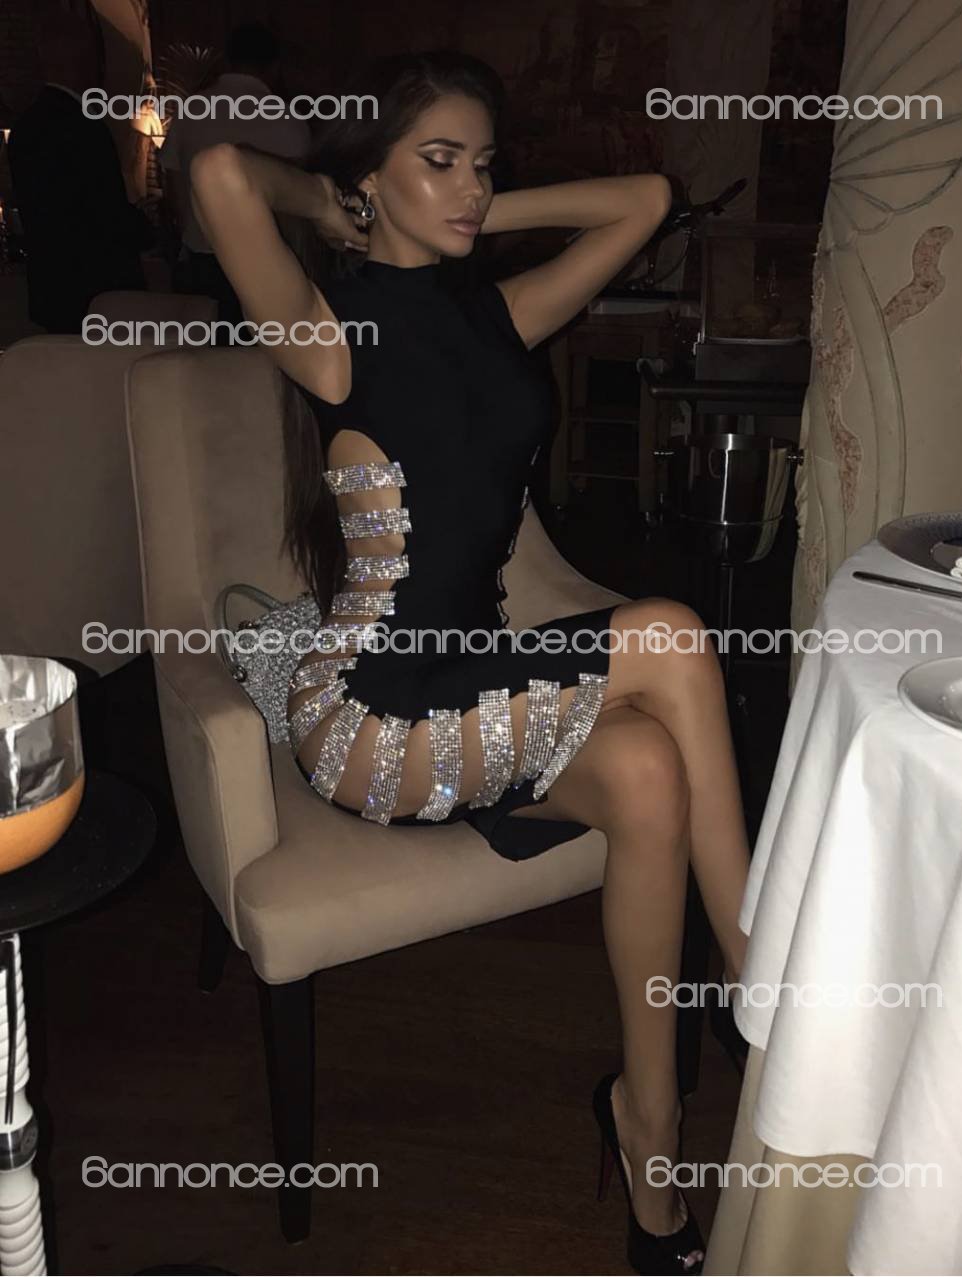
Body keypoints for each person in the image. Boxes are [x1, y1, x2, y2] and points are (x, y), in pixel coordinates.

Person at [190, 50, 750, 1275]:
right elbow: (222, 172)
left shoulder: (499, 312)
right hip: (371, 712)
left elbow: (644, 202)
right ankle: (758, 979)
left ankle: (649, 1135)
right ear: (372, 177)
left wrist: (465, 209)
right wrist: (340, 202)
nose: (471, 189)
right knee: (669, 633)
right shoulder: (330, 334)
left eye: (483, 166)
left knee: (649, 771)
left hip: (470, 681)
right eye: (438, 161)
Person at [8, 11, 152, 333]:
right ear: (84, 62)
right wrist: (147, 230)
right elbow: (105, 211)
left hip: (52, 287)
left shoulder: (25, 127)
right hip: (98, 289)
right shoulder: (84, 127)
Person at [159, 20, 309, 330]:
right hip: (267, 267)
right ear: (275, 66)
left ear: (227, 60)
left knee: (203, 352)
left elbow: (172, 183)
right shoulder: (286, 119)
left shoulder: (190, 110)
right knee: (265, 353)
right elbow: (301, 204)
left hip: (202, 261)